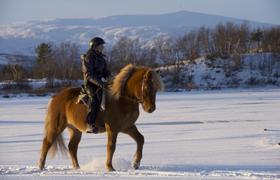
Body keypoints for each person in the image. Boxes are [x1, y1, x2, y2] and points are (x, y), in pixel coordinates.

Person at [82, 37, 111, 133]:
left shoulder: (101, 58)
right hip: (91, 84)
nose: (102, 47)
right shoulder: (89, 57)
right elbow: (89, 75)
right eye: (101, 46)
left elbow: (106, 71)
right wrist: (100, 83)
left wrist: (112, 78)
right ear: (95, 47)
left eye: (102, 46)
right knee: (94, 100)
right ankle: (89, 124)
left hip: (101, 83)